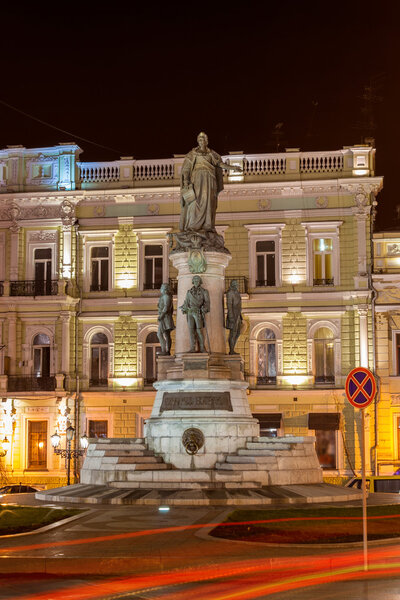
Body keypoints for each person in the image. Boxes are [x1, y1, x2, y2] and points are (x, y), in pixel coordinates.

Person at [180, 132, 242, 232]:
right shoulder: (192, 154)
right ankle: (193, 226)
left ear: (207, 141)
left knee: (209, 202)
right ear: (197, 141)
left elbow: (220, 164)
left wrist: (233, 167)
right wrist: (186, 181)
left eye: (203, 139)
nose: (201, 141)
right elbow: (186, 169)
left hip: (210, 179)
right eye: (200, 139)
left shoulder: (212, 154)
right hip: (197, 179)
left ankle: (207, 225)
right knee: (194, 202)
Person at [180, 275, 210, 353]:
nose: (196, 282)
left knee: (199, 330)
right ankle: (192, 348)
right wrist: (184, 307)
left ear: (200, 282)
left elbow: (207, 302)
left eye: (198, 280)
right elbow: (186, 302)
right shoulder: (189, 292)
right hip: (190, 312)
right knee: (191, 331)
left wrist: (204, 308)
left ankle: (202, 347)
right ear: (193, 282)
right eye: (195, 280)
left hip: (198, 312)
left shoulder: (204, 291)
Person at [157, 283, 174, 355]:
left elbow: (166, 307)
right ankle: (165, 350)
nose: (160, 289)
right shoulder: (163, 296)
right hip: (164, 317)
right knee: (163, 334)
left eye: (162, 287)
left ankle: (166, 350)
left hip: (165, 317)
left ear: (165, 289)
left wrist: (161, 315)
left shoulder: (166, 296)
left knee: (163, 334)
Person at [225, 279, 242, 354]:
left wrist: (240, 317)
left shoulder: (237, 293)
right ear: (231, 285)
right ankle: (231, 350)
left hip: (238, 315)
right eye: (234, 284)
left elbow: (239, 306)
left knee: (238, 332)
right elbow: (229, 305)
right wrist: (231, 316)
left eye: (237, 284)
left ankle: (233, 348)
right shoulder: (230, 293)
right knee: (233, 333)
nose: (236, 285)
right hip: (233, 315)